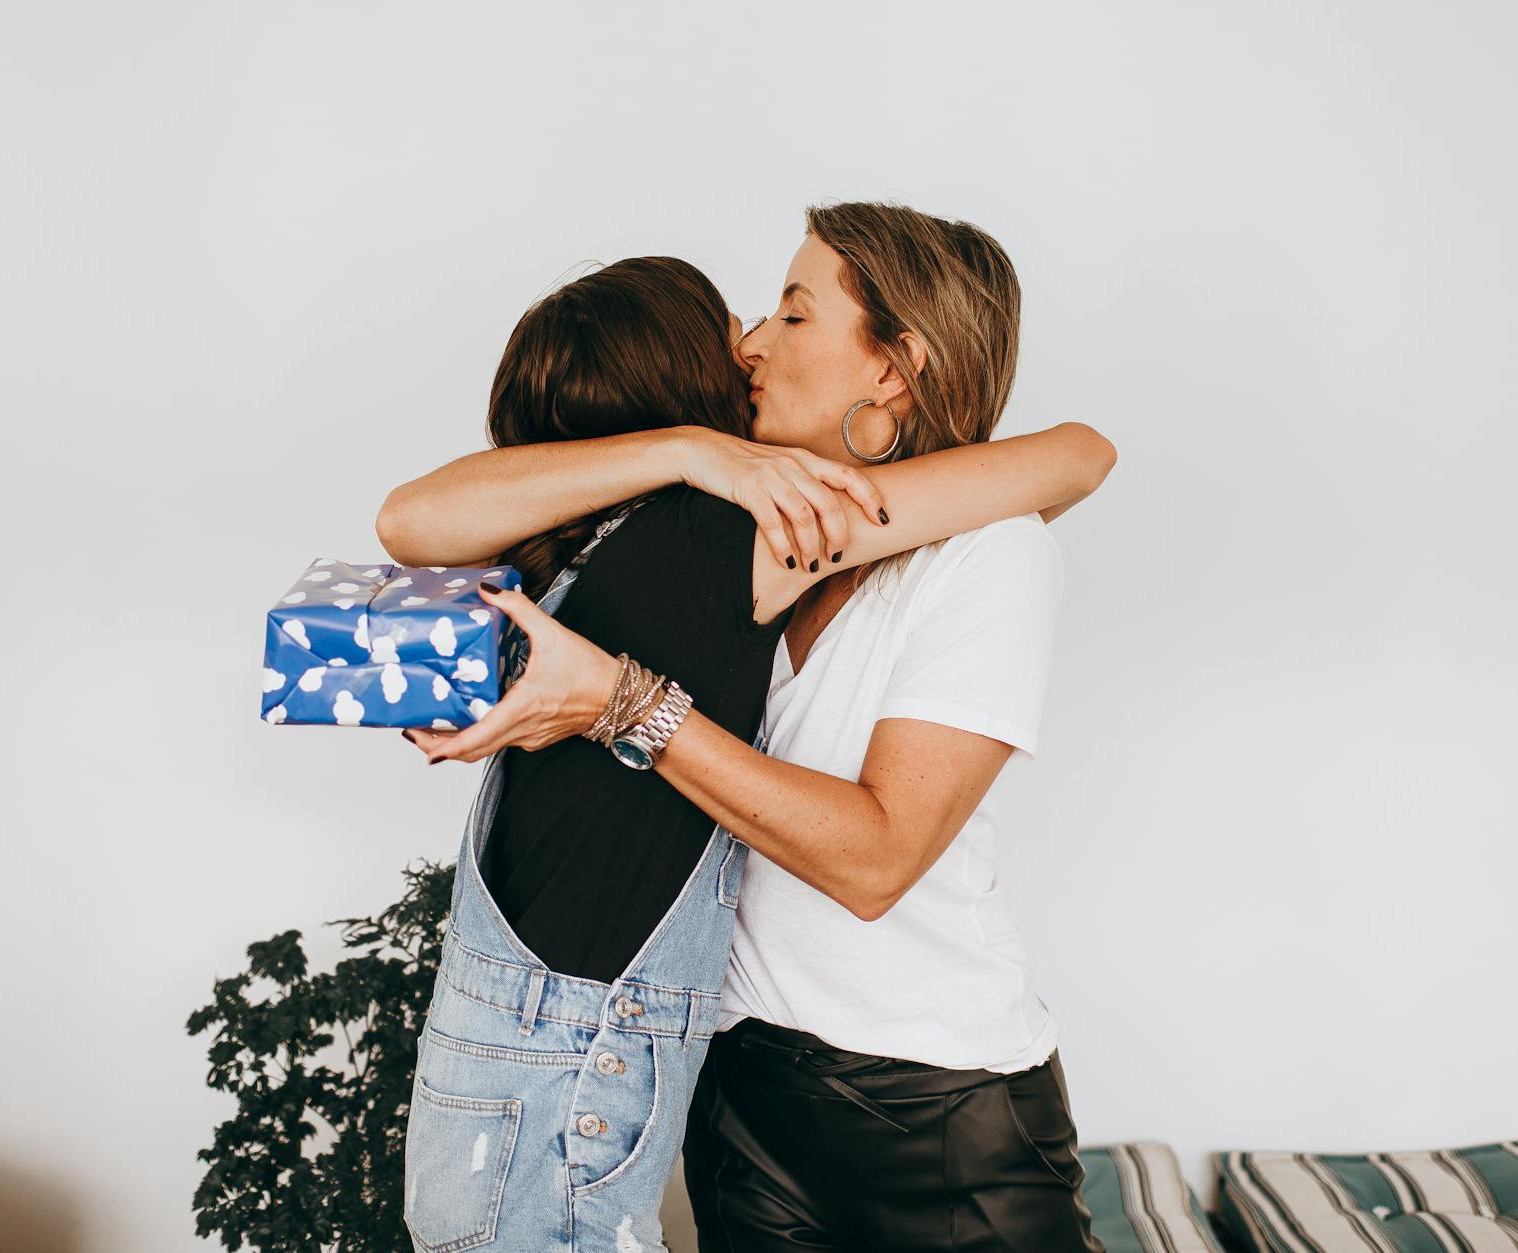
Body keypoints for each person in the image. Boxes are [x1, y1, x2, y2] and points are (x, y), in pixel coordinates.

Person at [393, 201, 1117, 1251]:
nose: (750, 345)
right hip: (736, 1091)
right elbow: (413, 520)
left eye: (791, 313)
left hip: (929, 1101)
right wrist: (694, 449)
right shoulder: (748, 529)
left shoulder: (970, 550)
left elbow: (876, 860)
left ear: (892, 366)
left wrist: (624, 702)